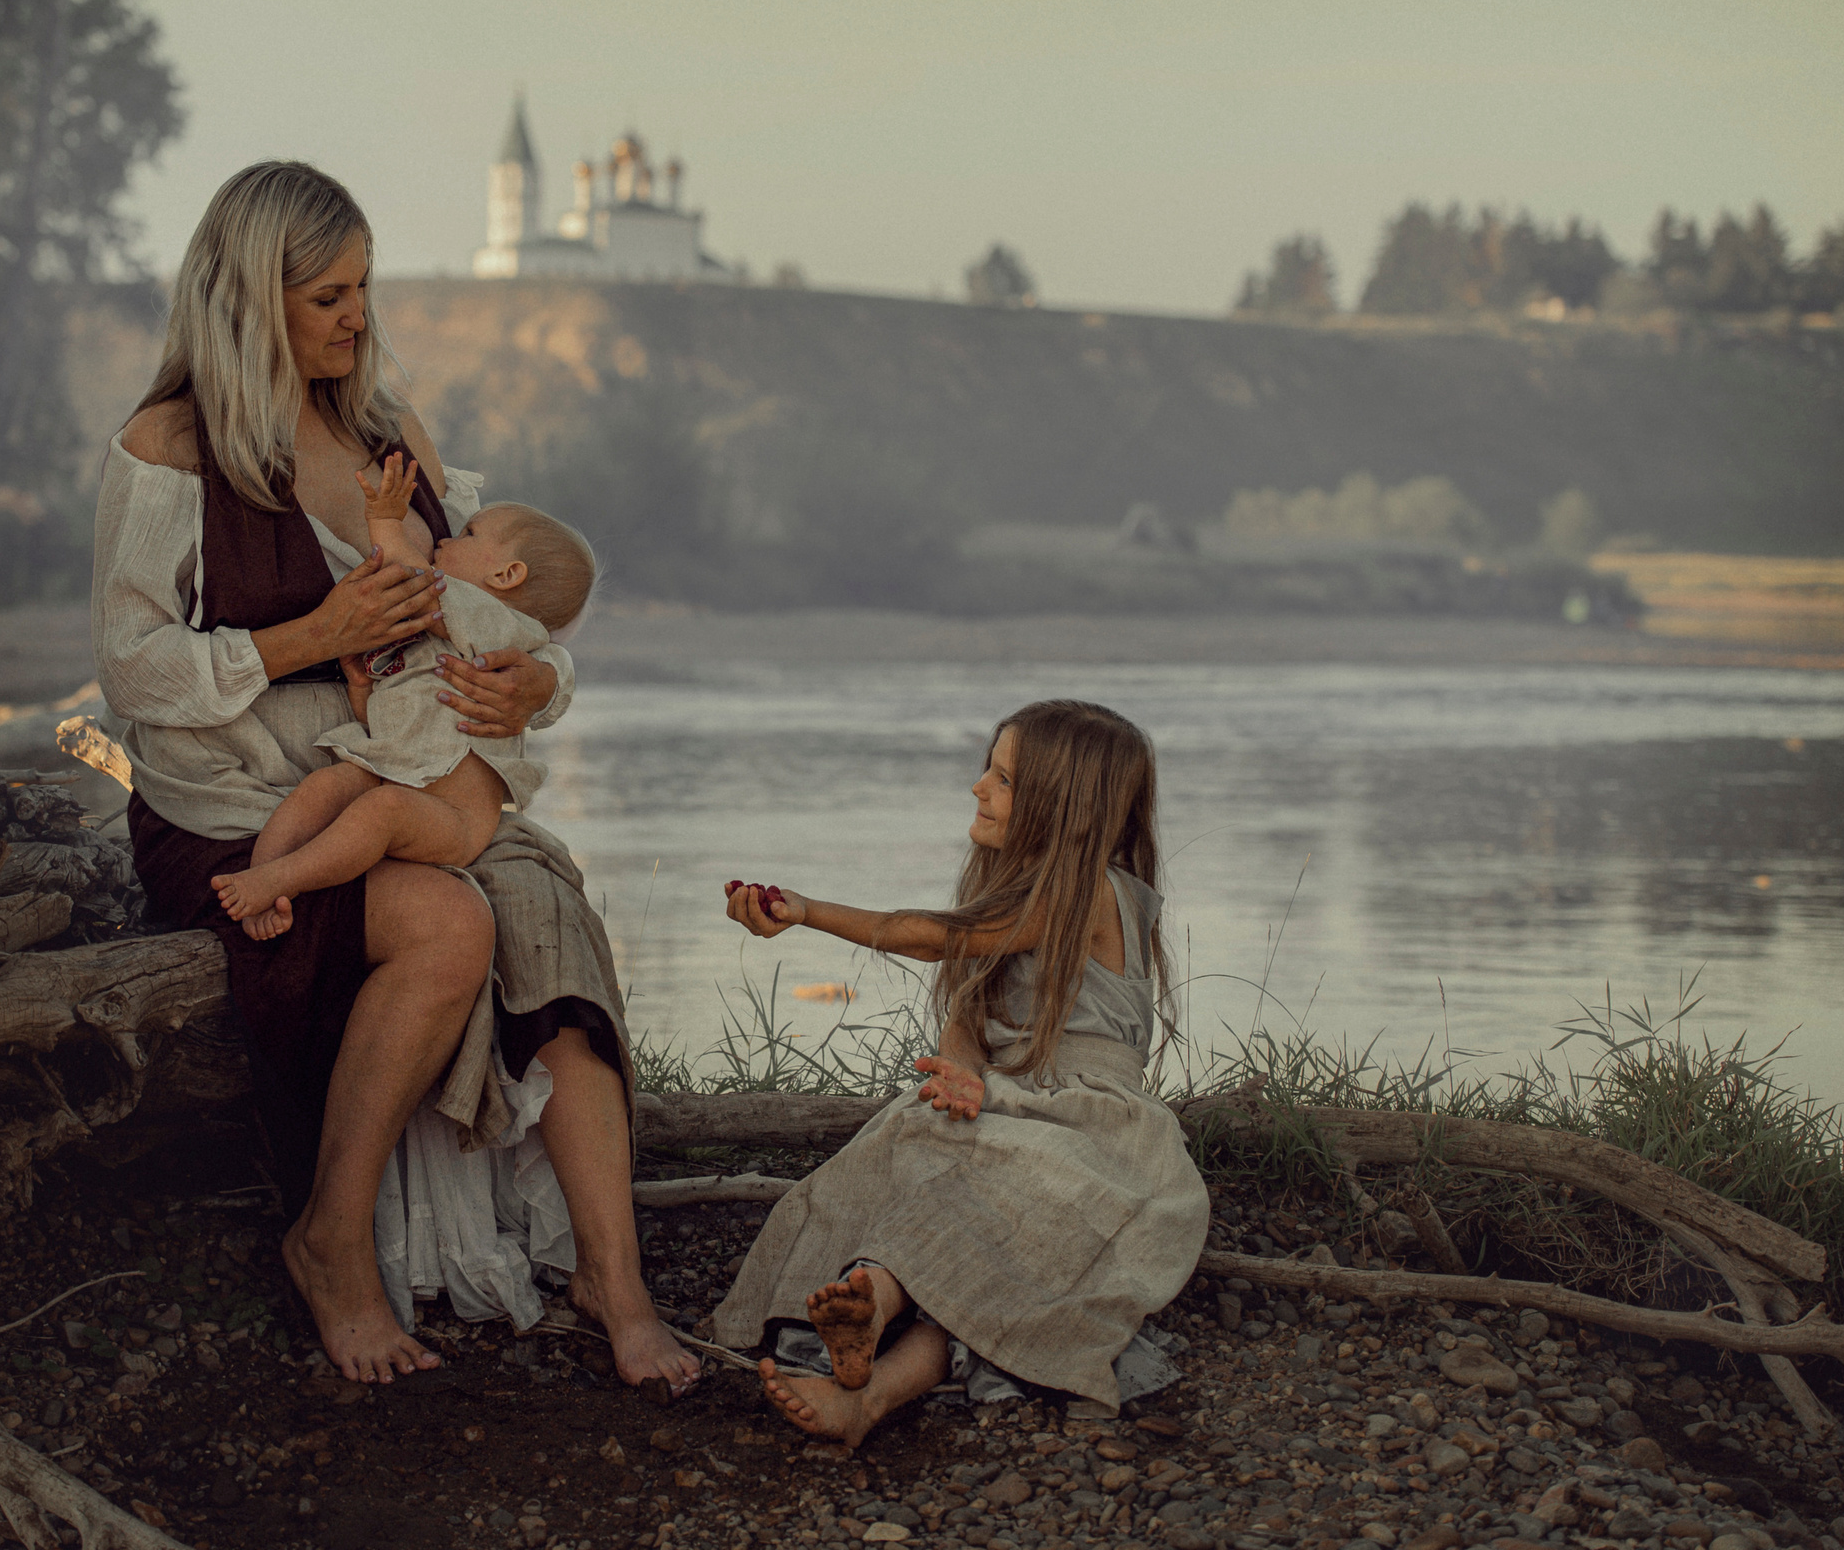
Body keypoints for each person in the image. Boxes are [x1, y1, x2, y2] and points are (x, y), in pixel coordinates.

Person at [94, 160, 694, 1394]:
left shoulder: (388, 436)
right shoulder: (168, 448)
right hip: (240, 807)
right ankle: (333, 1242)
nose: (355, 317)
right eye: (326, 295)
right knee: (447, 922)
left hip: (419, 772)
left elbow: (512, 616)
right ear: (250, 297)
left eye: (362, 287)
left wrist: (536, 693)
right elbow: (133, 673)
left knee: (548, 914)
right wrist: (316, 637)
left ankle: (613, 1281)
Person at [709, 699, 1208, 1447]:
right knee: (922, 1186)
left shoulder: (1094, 890)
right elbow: (969, 1019)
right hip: (1010, 1100)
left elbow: (931, 939)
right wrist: (962, 1072)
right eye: (989, 770)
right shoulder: (1017, 897)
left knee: (982, 1230)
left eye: (1002, 779)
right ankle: (865, 1336)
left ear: (1061, 808)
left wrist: (807, 910)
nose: (979, 788)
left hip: (1093, 1126)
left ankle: (870, 1349)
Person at [210, 452, 597, 939]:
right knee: (326, 788)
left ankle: (284, 878)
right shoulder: (446, 637)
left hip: (453, 818)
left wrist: (385, 521)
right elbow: (402, 720)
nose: (446, 539)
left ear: (506, 576)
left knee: (381, 813)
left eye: (469, 535)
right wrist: (362, 691)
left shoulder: (501, 626)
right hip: (398, 774)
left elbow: (419, 585)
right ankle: (266, 877)